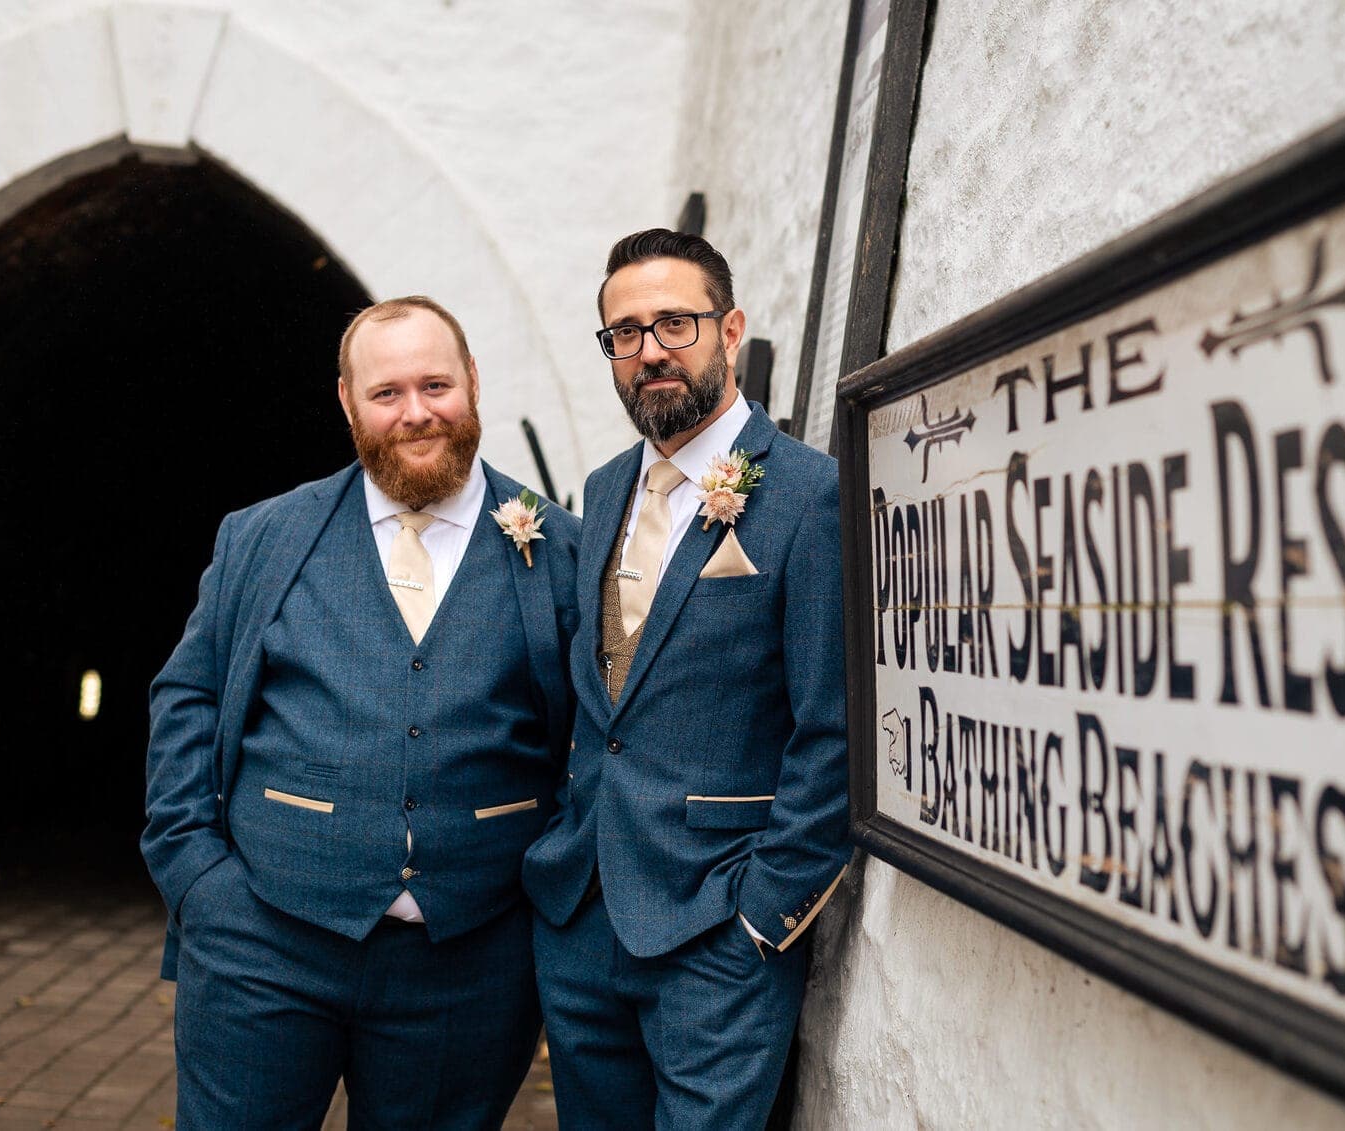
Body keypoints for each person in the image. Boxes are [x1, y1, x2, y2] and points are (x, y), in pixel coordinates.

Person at [141, 296, 578, 1130]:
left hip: (471, 962)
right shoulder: (264, 536)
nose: (415, 412)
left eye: (436, 384)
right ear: (347, 401)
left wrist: (538, 907)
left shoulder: (560, 549)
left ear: (474, 382)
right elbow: (187, 696)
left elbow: (593, 744)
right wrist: (198, 879)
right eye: (386, 393)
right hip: (262, 942)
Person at [523, 229, 849, 1129]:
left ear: (731, 327)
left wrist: (763, 918)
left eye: (676, 322)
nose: (651, 349)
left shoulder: (809, 495)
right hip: (582, 918)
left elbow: (836, 729)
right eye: (625, 333)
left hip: (717, 933)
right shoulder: (605, 484)